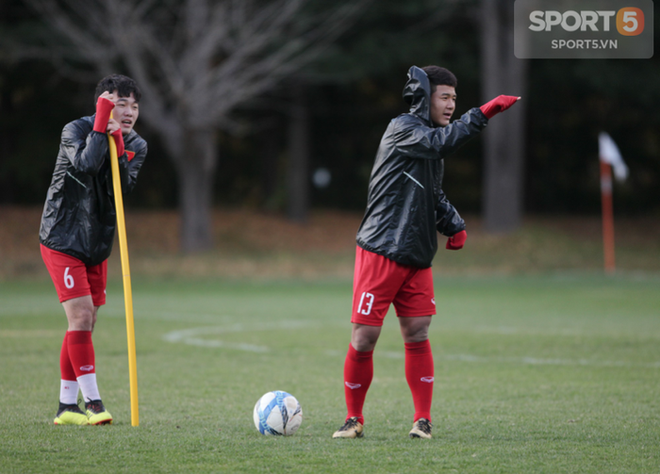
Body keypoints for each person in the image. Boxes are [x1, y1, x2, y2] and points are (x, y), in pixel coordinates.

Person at [332, 65, 519, 439]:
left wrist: (454, 223)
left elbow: (430, 192)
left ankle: (422, 419)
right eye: (444, 97)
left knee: (417, 333)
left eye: (455, 98)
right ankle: (354, 419)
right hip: (381, 249)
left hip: (417, 254)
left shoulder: (433, 137)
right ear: (423, 96)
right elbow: (440, 144)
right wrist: (482, 113)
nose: (451, 104)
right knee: (364, 338)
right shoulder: (404, 128)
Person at [40, 74, 148, 425]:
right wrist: (103, 127)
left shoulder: (138, 144)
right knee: (82, 316)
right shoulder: (74, 130)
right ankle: (95, 403)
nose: (129, 112)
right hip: (62, 236)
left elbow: (124, 185)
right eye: (120, 103)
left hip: (97, 243)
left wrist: (119, 144)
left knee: (85, 322)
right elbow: (85, 164)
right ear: (102, 102)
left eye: (134, 105)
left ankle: (66, 407)